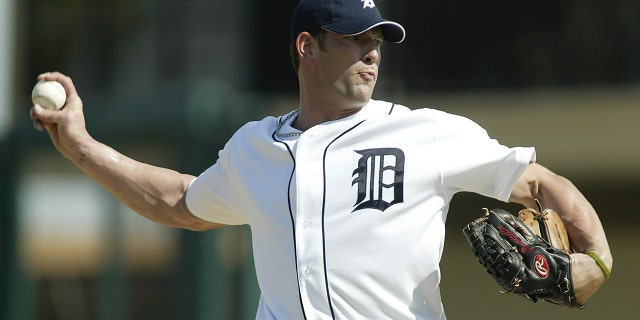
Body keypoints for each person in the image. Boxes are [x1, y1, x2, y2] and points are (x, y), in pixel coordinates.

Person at [30, 0, 612, 319]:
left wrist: (599, 261)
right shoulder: (254, 147)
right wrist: (82, 147)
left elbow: (537, 180)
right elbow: (179, 201)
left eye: (377, 41)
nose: (371, 52)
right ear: (308, 47)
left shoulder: (426, 132)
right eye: (355, 38)